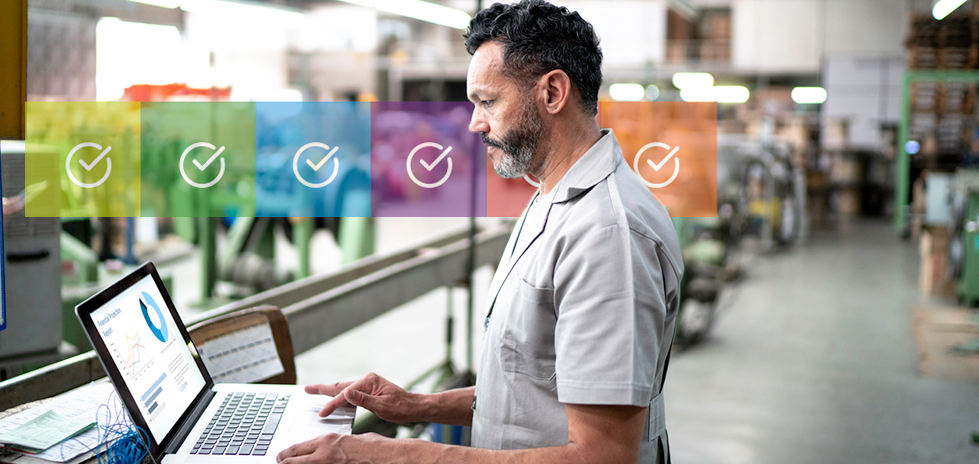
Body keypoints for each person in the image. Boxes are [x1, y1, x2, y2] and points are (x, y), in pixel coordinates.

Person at [276, 1, 683, 463]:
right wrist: (415, 406)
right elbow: (530, 389)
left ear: (552, 93)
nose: (475, 123)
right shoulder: (551, 195)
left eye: (487, 102)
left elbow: (602, 455)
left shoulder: (608, 235)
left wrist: (390, 455)